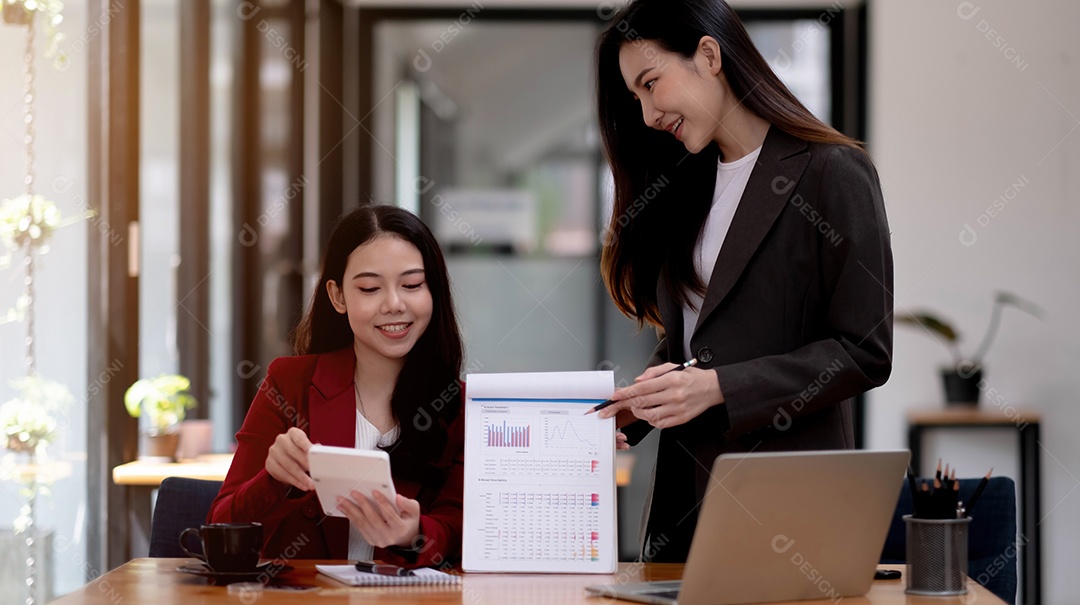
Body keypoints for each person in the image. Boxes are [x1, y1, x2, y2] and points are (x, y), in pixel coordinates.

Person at [593, 0, 893, 562]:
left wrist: (719, 386)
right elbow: (703, 336)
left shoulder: (833, 173)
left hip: (788, 504)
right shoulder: (687, 184)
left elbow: (865, 350)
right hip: (685, 505)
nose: (647, 114)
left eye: (651, 84)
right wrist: (643, 403)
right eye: (635, 98)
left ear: (709, 55)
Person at [208, 205, 465, 567]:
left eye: (412, 285)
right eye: (370, 288)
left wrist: (414, 534)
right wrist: (273, 480)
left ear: (432, 292)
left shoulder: (461, 406)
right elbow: (222, 525)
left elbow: (460, 527)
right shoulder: (288, 383)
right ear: (338, 296)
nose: (394, 304)